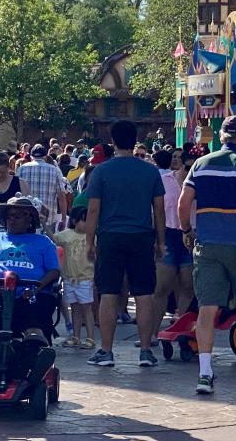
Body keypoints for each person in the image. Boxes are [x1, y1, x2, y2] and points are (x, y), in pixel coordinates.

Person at [178, 115, 236, 394]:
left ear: (221, 136)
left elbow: (185, 203)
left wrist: (187, 230)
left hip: (207, 245)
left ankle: (205, 373)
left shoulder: (200, 164)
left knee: (207, 308)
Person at [84, 120, 166, 368]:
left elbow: (93, 209)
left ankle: (106, 351)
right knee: (144, 294)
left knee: (108, 293)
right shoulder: (150, 171)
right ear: (135, 140)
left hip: (110, 235)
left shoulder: (101, 171)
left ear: (113, 141)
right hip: (142, 236)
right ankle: (145, 350)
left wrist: (89, 241)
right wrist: (161, 241)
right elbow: (159, 210)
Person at [0, 197, 60, 374]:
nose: (12, 220)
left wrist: (37, 287)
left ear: (29, 218)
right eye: (9, 216)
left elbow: (54, 271)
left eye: (17, 216)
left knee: (36, 314)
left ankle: (32, 359)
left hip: (29, 293)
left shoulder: (43, 242)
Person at [151, 149, 194, 342]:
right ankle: (151, 334)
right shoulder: (165, 180)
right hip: (168, 233)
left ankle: (181, 331)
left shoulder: (200, 182)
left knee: (187, 285)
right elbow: (155, 210)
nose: (189, 169)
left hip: (191, 234)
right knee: (162, 286)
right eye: (186, 165)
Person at [55, 206, 96, 349]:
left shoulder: (92, 236)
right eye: (84, 221)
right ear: (74, 220)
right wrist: (43, 224)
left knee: (86, 308)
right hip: (69, 278)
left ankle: (90, 338)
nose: (87, 224)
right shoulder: (67, 234)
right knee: (75, 308)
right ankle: (76, 337)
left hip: (85, 277)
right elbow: (53, 238)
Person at [18, 144, 69, 232]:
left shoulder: (22, 169)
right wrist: (63, 219)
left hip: (27, 218)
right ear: (45, 157)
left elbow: (17, 193)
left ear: (31, 157)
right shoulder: (55, 170)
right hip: (48, 219)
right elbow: (61, 196)